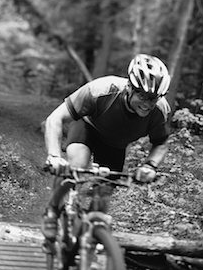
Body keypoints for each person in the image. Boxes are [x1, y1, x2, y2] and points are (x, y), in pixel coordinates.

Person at [42, 54, 172, 240]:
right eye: (143, 96)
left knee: (102, 195)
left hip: (115, 145)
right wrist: (54, 156)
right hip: (87, 129)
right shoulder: (100, 91)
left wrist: (150, 166)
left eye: (153, 98)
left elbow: (161, 142)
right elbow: (55, 118)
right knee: (75, 166)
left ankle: (88, 242)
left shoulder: (160, 111)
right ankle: (52, 212)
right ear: (129, 87)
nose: (148, 104)